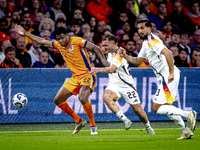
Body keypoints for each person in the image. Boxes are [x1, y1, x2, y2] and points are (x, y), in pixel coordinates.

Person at [14, 25, 109, 134]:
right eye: (58, 38)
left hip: (87, 74)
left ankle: (93, 126)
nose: (61, 40)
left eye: (62, 37)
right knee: (57, 100)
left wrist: (105, 63)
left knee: (82, 98)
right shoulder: (58, 44)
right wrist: (26, 33)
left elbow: (95, 47)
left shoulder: (76, 41)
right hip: (75, 77)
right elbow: (42, 41)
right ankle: (79, 121)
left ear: (67, 35)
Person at [119, 19, 197, 139]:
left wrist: (170, 73)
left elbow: (169, 53)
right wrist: (125, 55)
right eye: (138, 28)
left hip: (168, 75)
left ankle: (188, 114)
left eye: (142, 28)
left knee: (157, 107)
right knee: (167, 107)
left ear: (149, 29)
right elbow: (138, 60)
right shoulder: (146, 43)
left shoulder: (153, 41)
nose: (140, 31)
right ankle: (186, 131)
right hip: (167, 76)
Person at [90, 34, 155, 134]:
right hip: (114, 85)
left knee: (139, 111)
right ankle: (125, 120)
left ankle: (148, 126)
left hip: (127, 86)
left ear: (113, 43)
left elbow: (112, 69)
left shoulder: (119, 53)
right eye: (103, 46)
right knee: (106, 97)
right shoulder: (110, 53)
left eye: (106, 45)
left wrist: (97, 69)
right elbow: (109, 65)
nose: (104, 48)